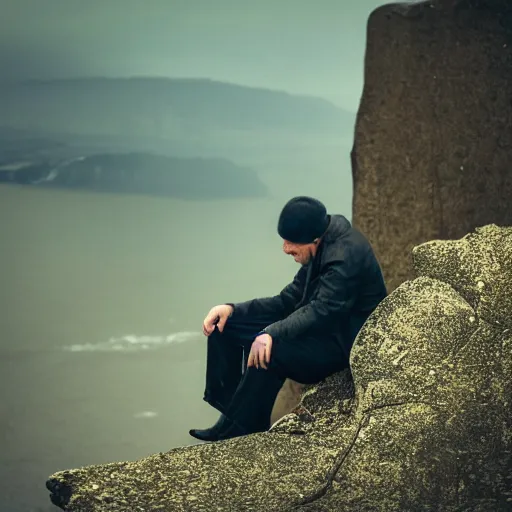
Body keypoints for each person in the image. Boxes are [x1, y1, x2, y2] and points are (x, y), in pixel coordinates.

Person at [189, 196, 388, 442]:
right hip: (323, 329)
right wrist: (232, 310)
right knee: (226, 326)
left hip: (343, 344)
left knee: (270, 351)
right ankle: (231, 413)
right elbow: (287, 301)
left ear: (313, 239)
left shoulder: (344, 257)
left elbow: (323, 310)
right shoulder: (321, 239)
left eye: (291, 242)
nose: (285, 249)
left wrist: (271, 333)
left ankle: (244, 430)